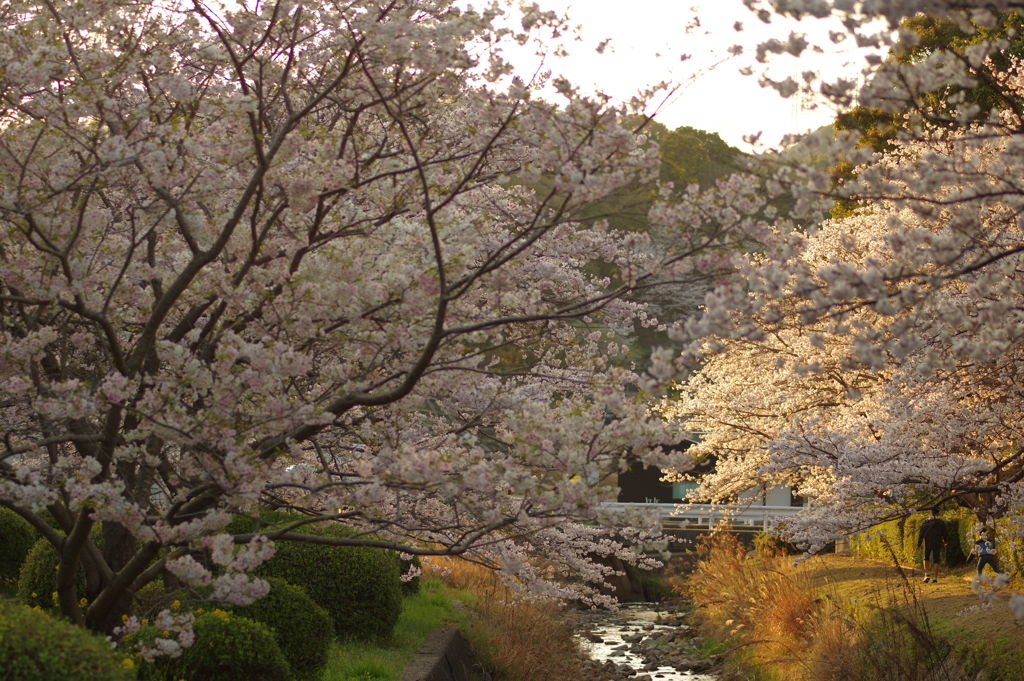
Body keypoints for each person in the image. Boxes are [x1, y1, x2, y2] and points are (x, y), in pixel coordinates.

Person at [917, 508, 947, 583]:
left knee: (926, 558)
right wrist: (946, 541)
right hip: (937, 542)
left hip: (927, 542)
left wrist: (918, 544)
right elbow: (944, 533)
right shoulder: (941, 522)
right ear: (938, 513)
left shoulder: (926, 522)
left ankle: (927, 574)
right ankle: (935, 579)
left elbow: (921, 534)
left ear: (930, 512)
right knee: (936, 560)